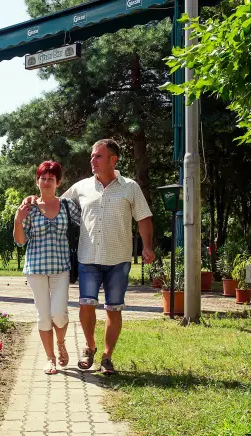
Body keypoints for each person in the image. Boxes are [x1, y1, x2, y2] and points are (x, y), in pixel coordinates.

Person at [25, 139, 154, 376]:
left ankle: (107, 357)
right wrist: (33, 199)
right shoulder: (81, 187)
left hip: (119, 258)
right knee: (86, 306)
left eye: (98, 156)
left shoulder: (130, 187)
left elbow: (143, 218)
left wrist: (147, 246)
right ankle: (89, 346)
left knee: (114, 309)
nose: (92, 160)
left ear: (113, 160)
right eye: (92, 156)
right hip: (88, 258)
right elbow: (54, 199)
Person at [14, 161, 81, 375]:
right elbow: (20, 241)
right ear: (37, 181)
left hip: (61, 268)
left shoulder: (68, 205)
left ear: (58, 182)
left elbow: (85, 225)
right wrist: (18, 219)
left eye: (51, 179)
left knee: (59, 314)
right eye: (43, 178)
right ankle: (50, 358)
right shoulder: (29, 208)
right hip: (36, 269)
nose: (46, 182)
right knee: (44, 316)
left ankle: (61, 342)